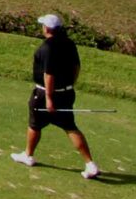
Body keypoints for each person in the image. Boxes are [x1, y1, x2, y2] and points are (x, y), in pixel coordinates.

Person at [12, 14, 100, 179]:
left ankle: (28, 155)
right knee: (70, 127)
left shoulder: (47, 48)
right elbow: (76, 67)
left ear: (47, 28)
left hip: (45, 94)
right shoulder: (69, 44)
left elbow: (49, 75)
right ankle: (90, 164)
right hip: (66, 93)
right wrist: (69, 85)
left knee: (34, 125)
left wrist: (49, 98)